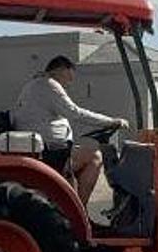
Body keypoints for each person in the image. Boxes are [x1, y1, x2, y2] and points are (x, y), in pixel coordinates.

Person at [11, 56, 129, 203]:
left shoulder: (34, 85)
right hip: (49, 151)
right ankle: (79, 209)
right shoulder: (49, 85)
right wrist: (111, 122)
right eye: (69, 78)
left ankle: (71, 200)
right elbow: (75, 113)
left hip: (47, 146)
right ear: (61, 69)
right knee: (95, 157)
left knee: (81, 155)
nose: (69, 83)